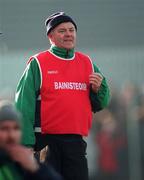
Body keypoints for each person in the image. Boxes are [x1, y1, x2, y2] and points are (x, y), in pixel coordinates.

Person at [15, 12, 110, 180]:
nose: (68, 34)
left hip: (76, 143)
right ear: (51, 36)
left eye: (72, 30)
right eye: (62, 31)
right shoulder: (38, 63)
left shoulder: (87, 63)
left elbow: (100, 104)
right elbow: (24, 105)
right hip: (45, 143)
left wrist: (98, 90)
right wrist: (26, 144)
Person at [0, 101, 63, 180]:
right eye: (4, 128)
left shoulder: (24, 163)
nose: (11, 135)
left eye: (16, 128)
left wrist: (36, 168)